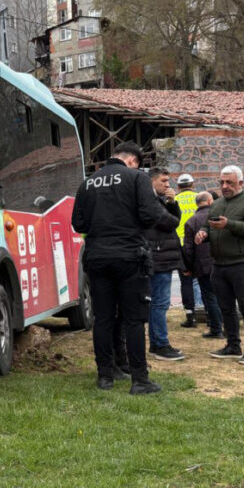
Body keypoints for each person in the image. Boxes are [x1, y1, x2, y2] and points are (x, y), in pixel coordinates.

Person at [73, 142, 177, 394]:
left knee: (103, 318)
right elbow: (151, 213)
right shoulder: (135, 178)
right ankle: (140, 379)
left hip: (97, 256)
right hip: (130, 255)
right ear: (133, 161)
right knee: (133, 319)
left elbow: (78, 223)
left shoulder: (88, 183)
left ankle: (105, 376)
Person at [195, 165, 244, 365]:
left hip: (242, 262)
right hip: (219, 263)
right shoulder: (216, 204)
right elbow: (207, 224)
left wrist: (229, 224)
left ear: (241, 183)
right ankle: (233, 345)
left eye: (229, 183)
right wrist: (203, 233)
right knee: (226, 307)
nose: (225, 186)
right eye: (222, 182)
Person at [145, 167, 185, 361]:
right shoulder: (150, 201)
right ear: (152, 181)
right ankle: (160, 344)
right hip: (159, 257)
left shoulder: (158, 200)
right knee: (160, 303)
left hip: (161, 256)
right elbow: (172, 223)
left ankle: (157, 343)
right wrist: (171, 204)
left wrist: (171, 203)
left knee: (157, 304)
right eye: (163, 181)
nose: (168, 185)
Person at [182, 191, 224, 339]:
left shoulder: (192, 221)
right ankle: (224, 326)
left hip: (203, 265)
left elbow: (188, 248)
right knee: (223, 296)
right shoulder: (219, 218)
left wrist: (187, 268)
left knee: (210, 297)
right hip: (221, 262)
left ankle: (216, 328)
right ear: (210, 201)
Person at [174, 174, 201, 328]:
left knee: (186, 281)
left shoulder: (175, 200)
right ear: (192, 184)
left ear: (178, 187)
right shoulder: (199, 197)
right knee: (202, 279)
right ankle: (204, 309)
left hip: (181, 244)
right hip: (199, 241)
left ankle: (190, 315)